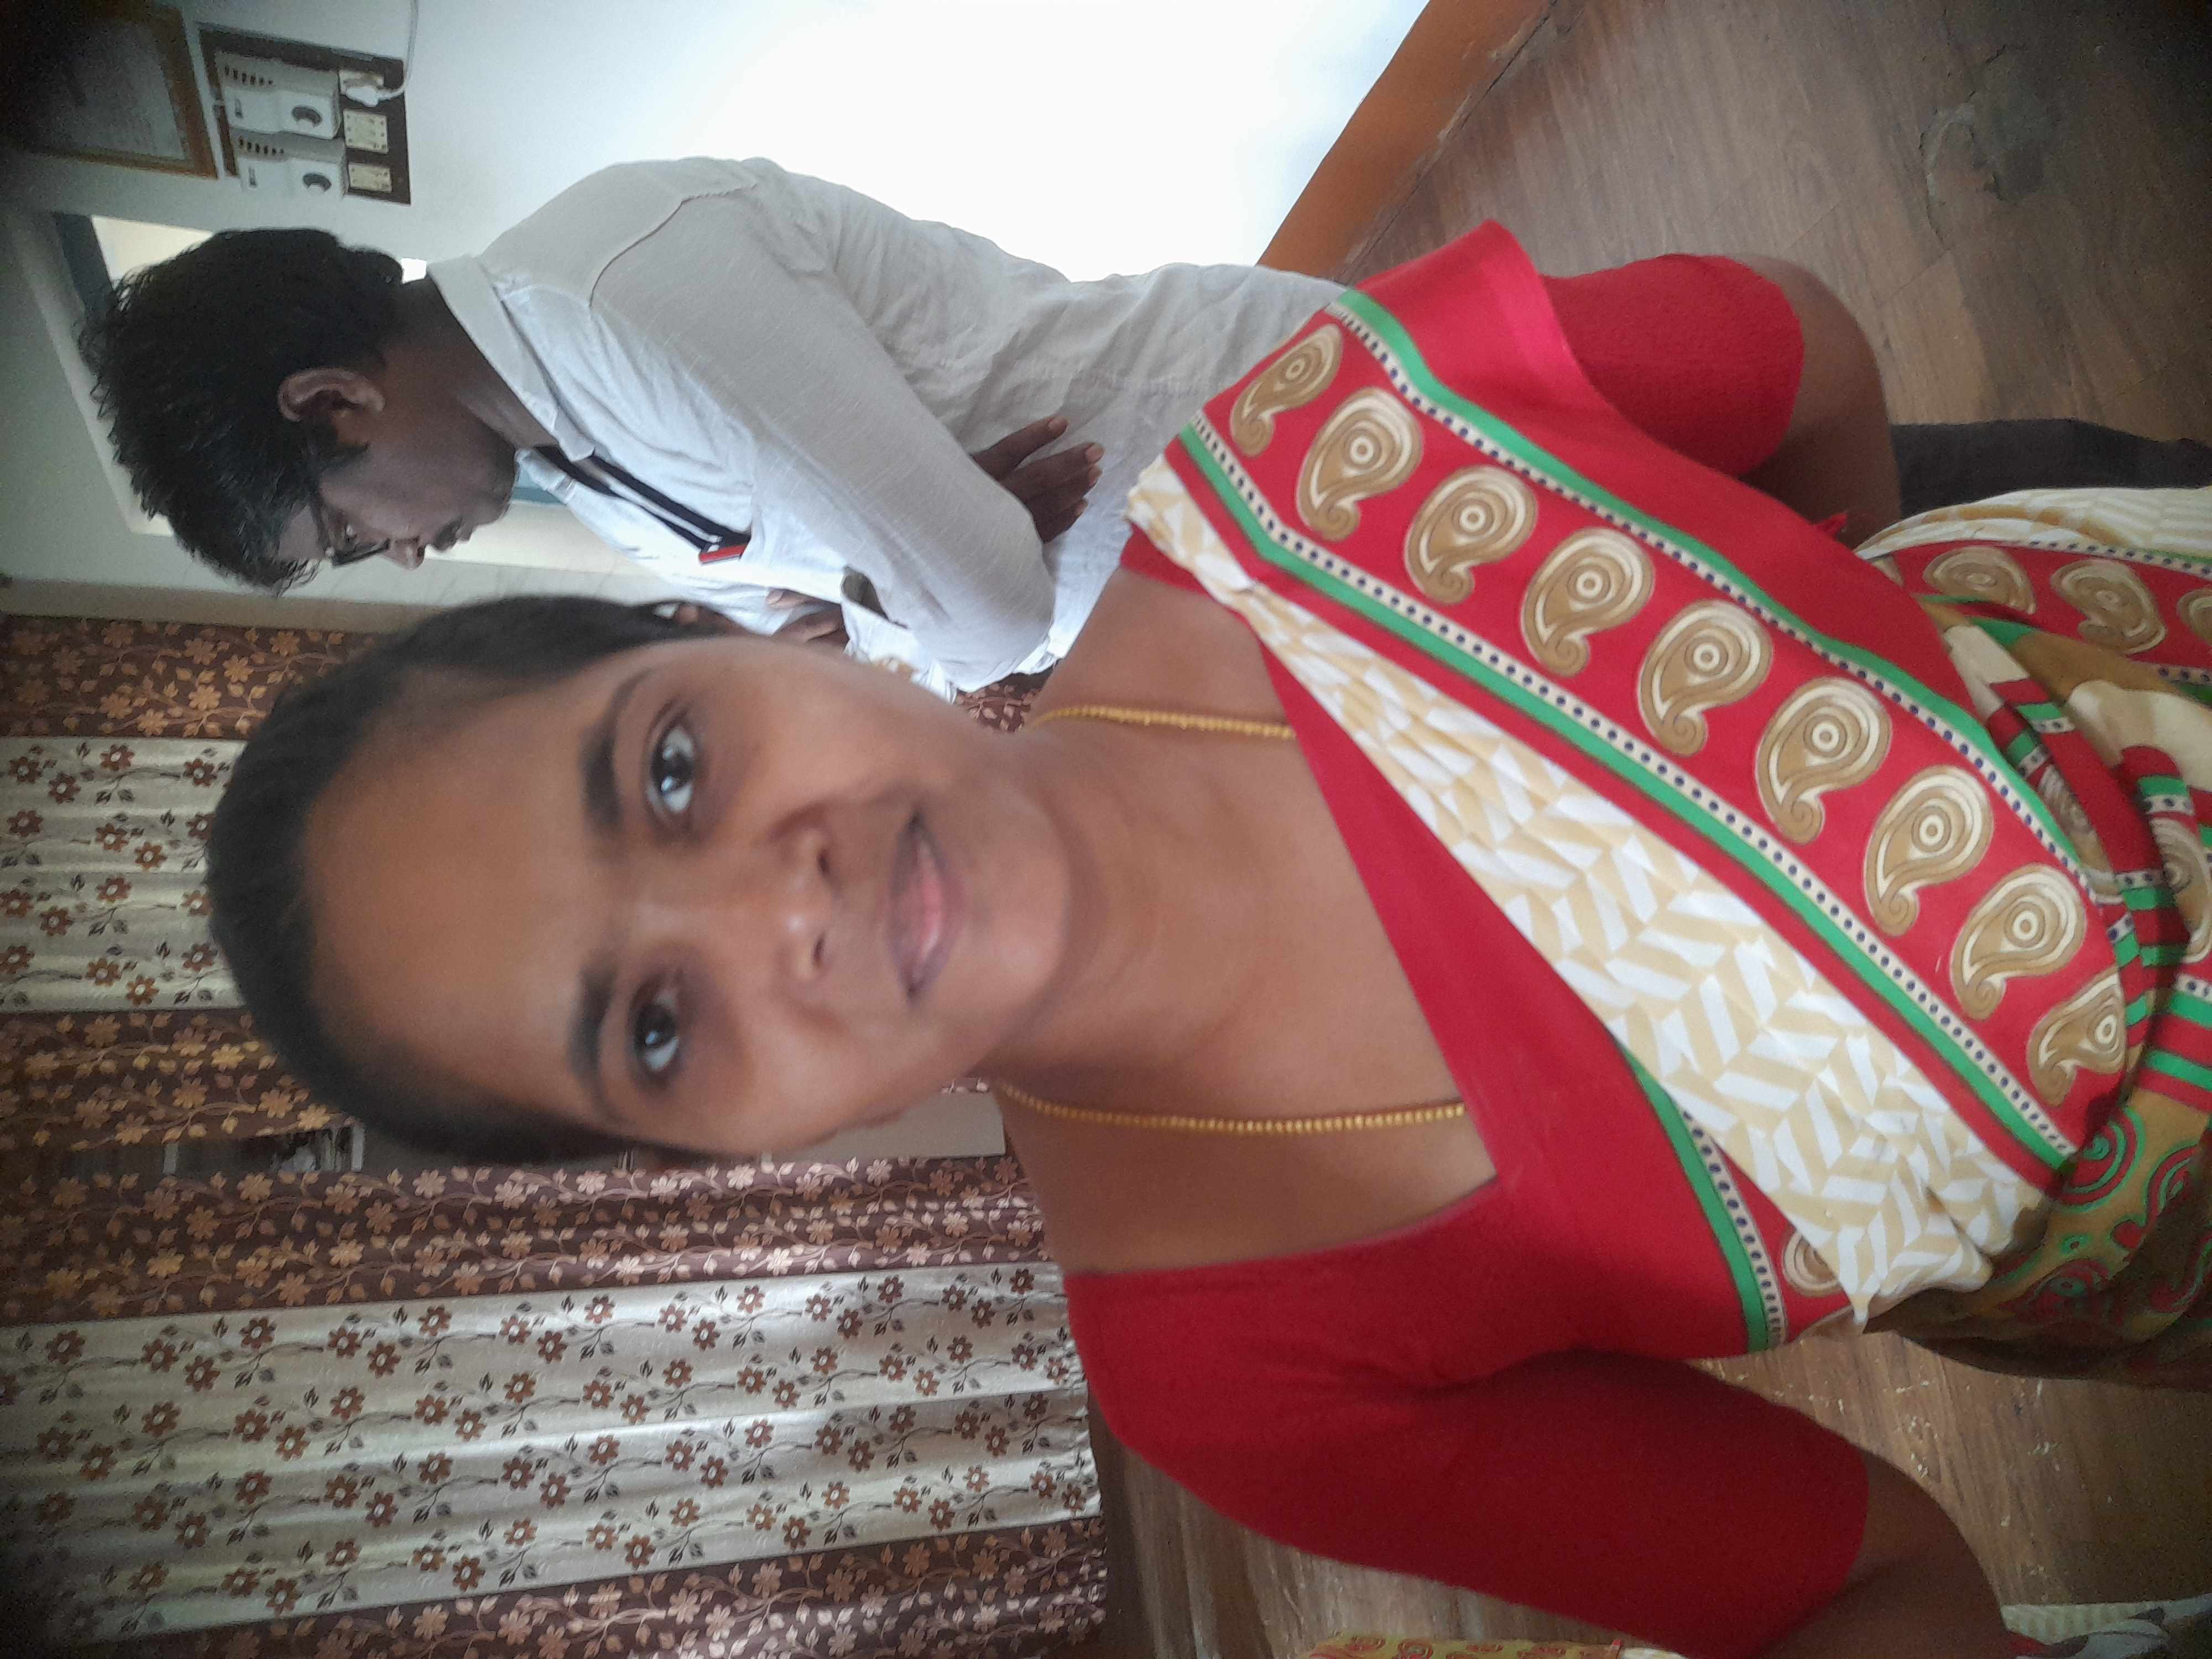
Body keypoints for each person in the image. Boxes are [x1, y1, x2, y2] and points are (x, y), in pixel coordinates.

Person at [207, 224, 2212, 1659]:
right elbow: (1866, 1585)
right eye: (654, 1028)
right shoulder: (1235, 1372)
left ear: (731, 639)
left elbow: (1802, 350)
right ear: (716, 1151)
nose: (776, 907)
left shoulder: (1332, 467)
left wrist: (1846, 650)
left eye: (666, 771)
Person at [80, 157, 1350, 692]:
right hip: (1207, 597)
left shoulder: (625, 290)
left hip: (1275, 431)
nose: (404, 556)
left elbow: (991, 614)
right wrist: (914, 575)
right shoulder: (572, 456)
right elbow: (819, 655)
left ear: (332, 400)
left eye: (350, 533)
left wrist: (923, 580)